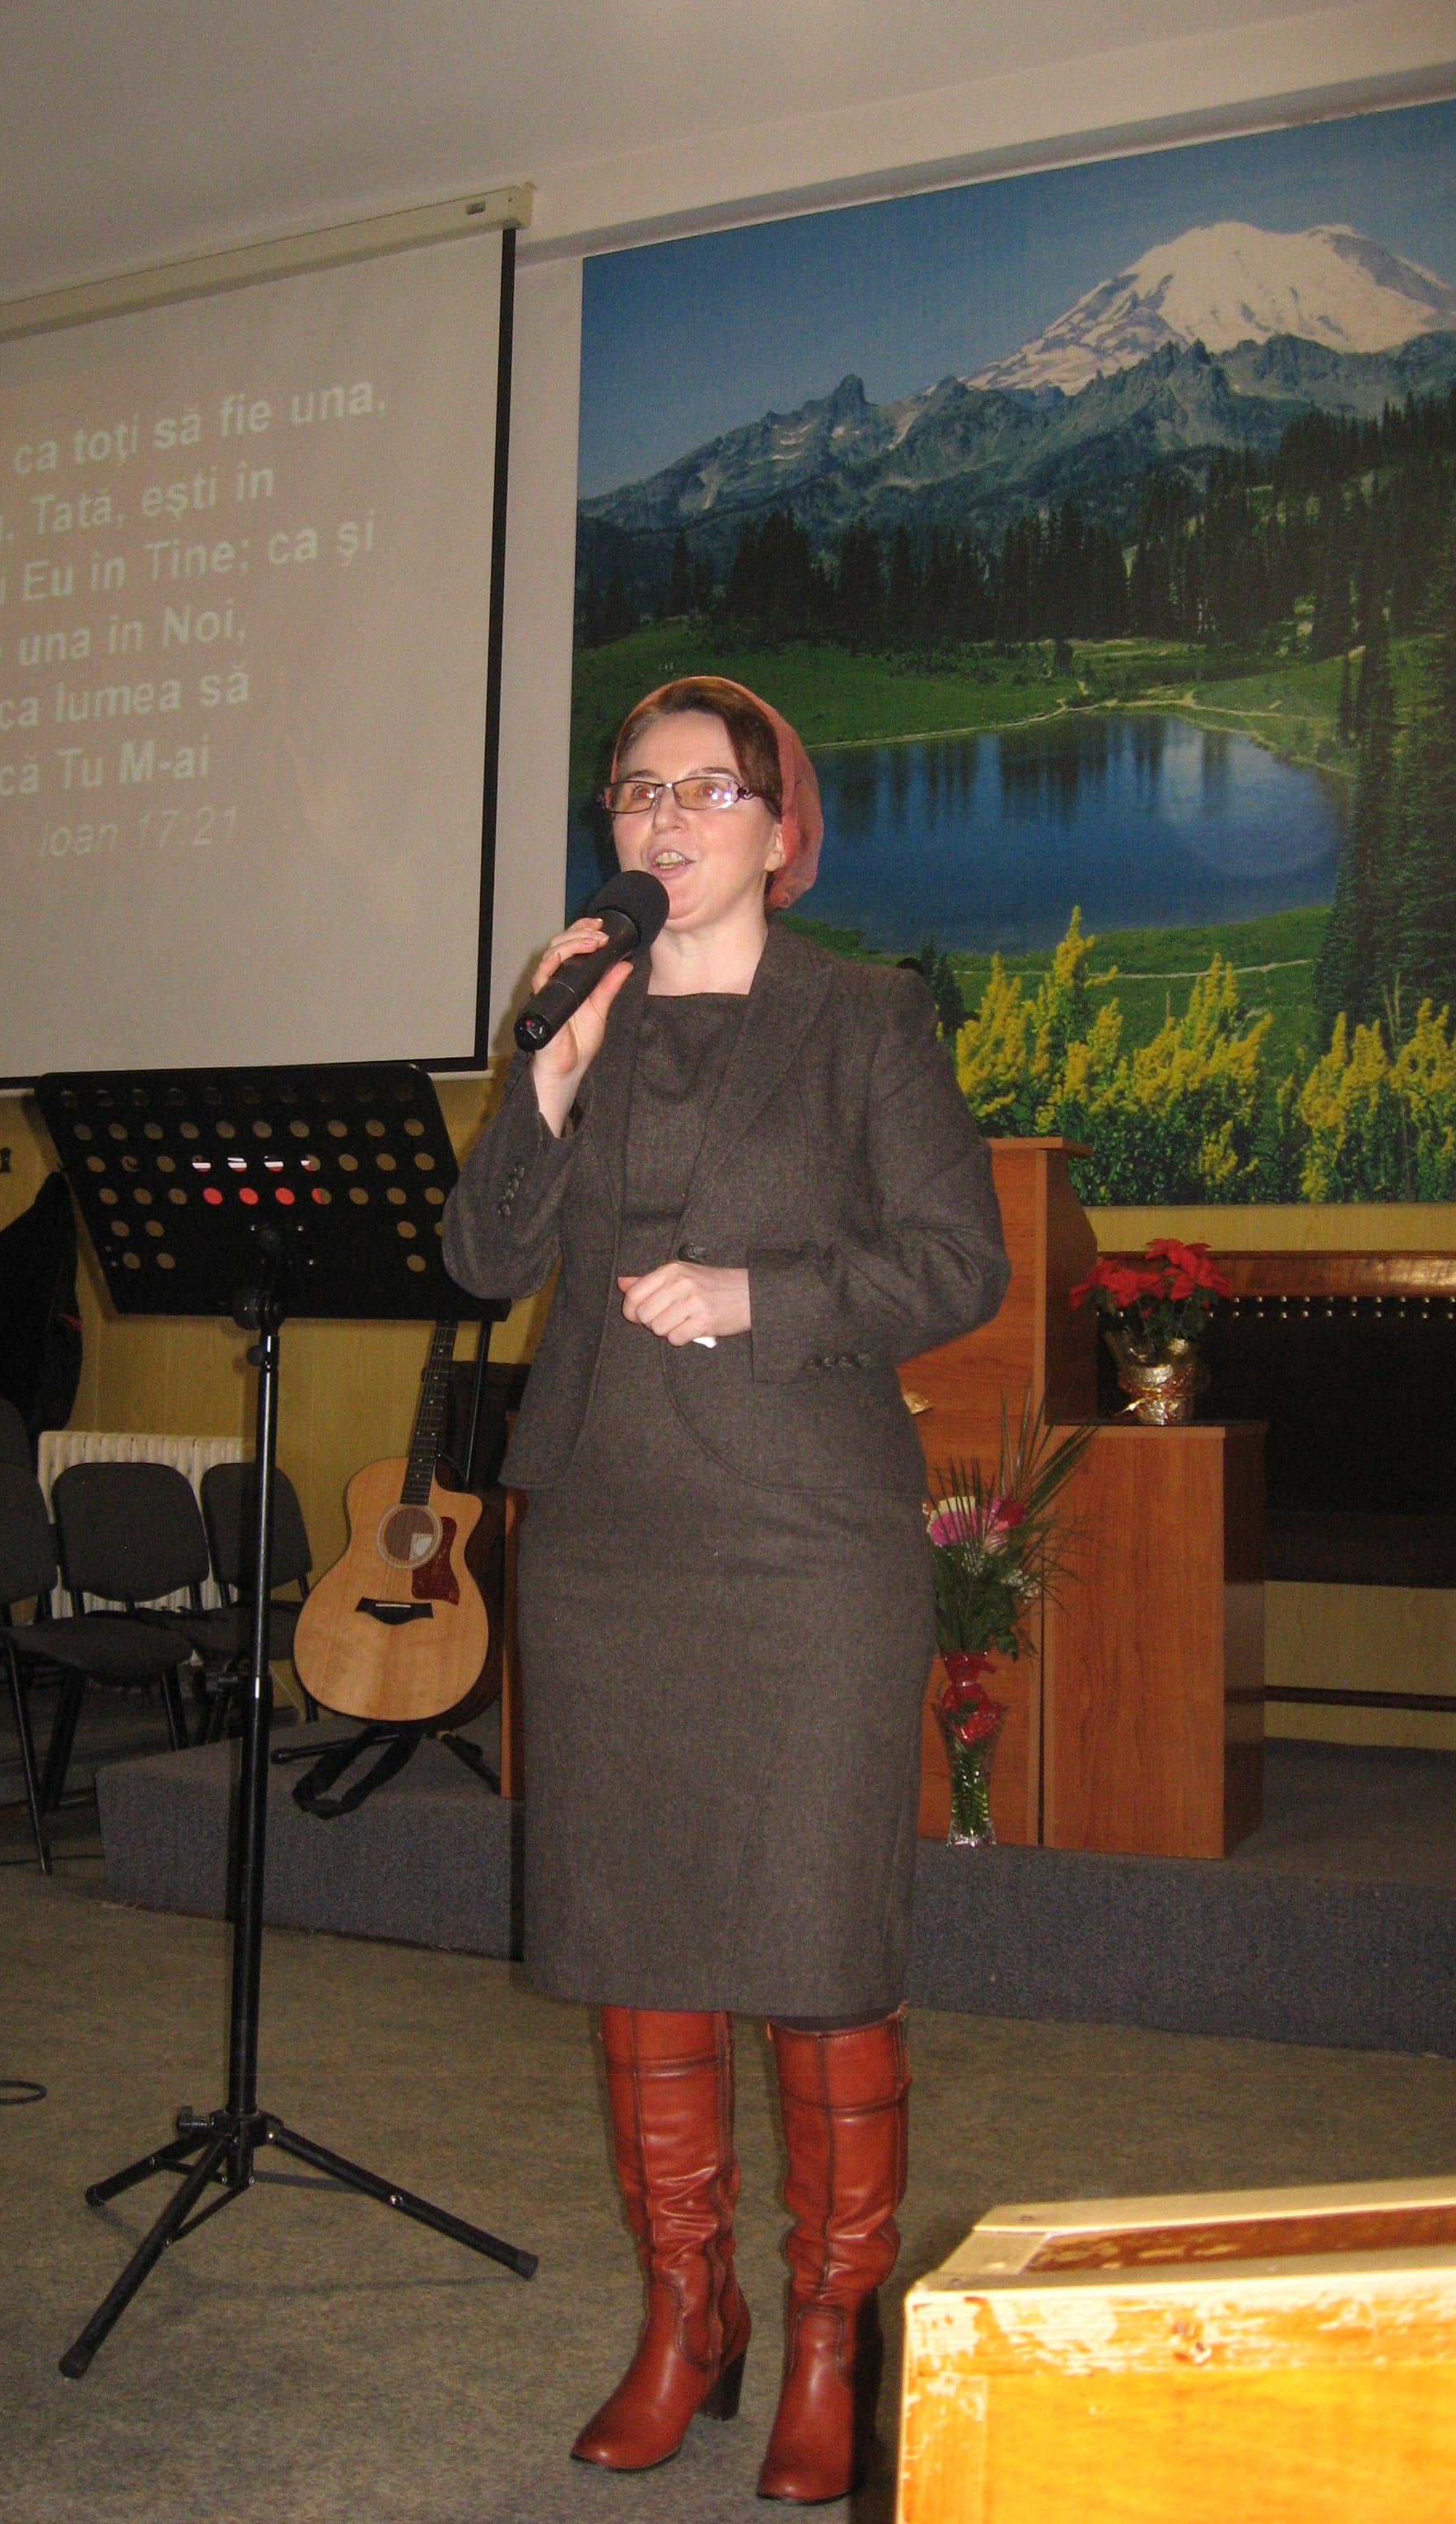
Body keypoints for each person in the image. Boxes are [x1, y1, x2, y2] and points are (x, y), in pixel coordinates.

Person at [442, 676, 1010, 2500]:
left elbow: (960, 1262)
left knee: (819, 1946)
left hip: (804, 1549)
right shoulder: (585, 1017)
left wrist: (766, 1297)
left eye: (706, 791)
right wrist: (544, 1073)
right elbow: (482, 1261)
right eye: (637, 793)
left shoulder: (865, 1017)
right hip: (608, 1540)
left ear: (781, 829)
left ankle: (833, 2325)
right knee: (638, 1939)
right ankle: (689, 2310)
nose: (664, 821)